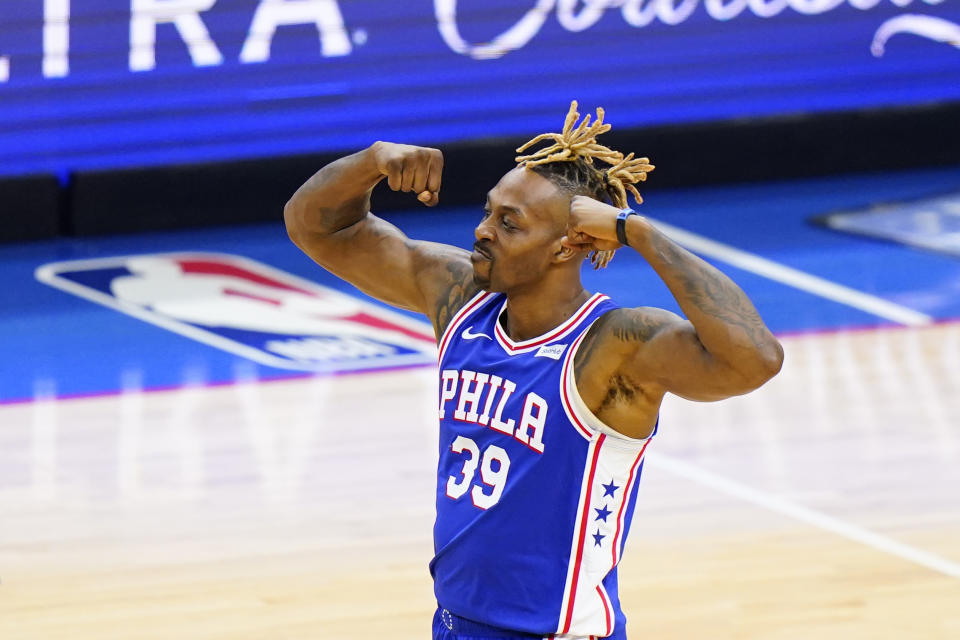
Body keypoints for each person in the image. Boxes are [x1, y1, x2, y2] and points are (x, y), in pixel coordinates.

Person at [284, 101, 784, 640]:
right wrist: (372, 162)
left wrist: (638, 233)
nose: (483, 231)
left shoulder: (615, 346)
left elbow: (756, 361)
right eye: (488, 212)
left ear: (567, 244)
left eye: (509, 223)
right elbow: (319, 230)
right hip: (455, 623)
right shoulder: (460, 300)